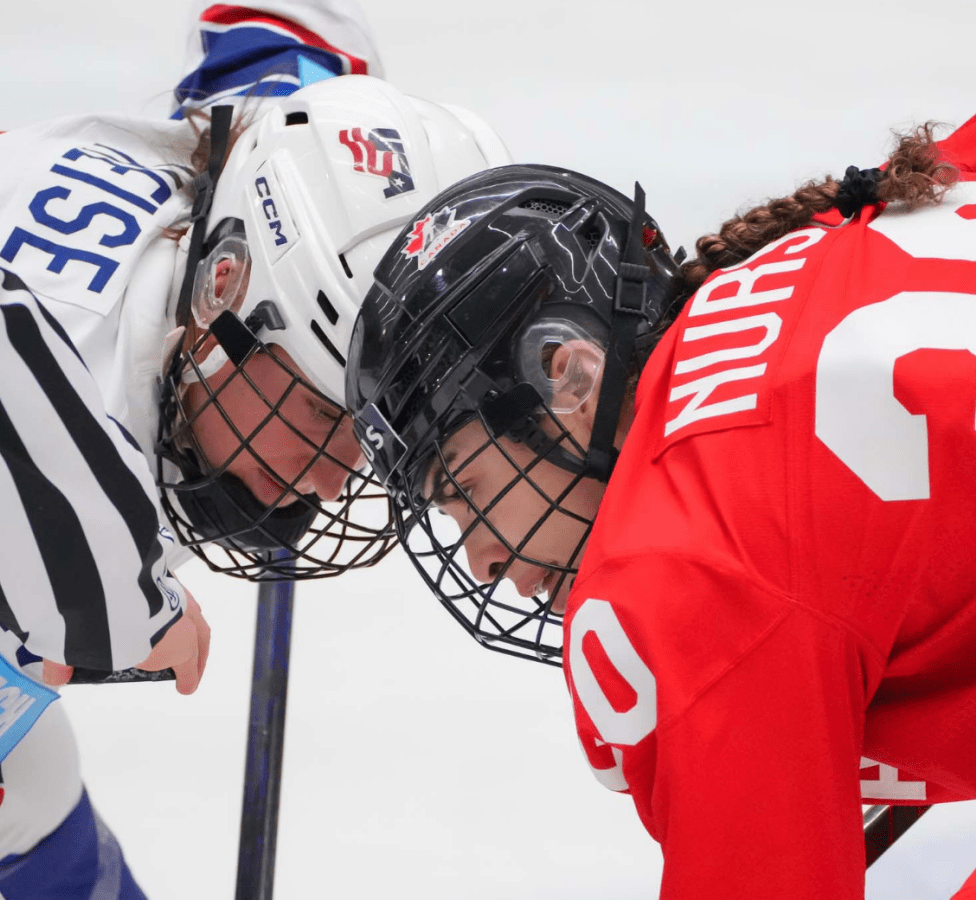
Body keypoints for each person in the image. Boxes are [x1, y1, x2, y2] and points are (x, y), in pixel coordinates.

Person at [0, 1, 510, 897]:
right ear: (224, 291)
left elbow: (282, 38)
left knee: (28, 783)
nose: (334, 476)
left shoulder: (242, 168)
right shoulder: (48, 498)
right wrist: (108, 606)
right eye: (323, 415)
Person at [346, 115, 976, 900]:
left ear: (566, 376)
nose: (483, 560)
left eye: (463, 490)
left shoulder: (682, 572)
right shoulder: (822, 239)